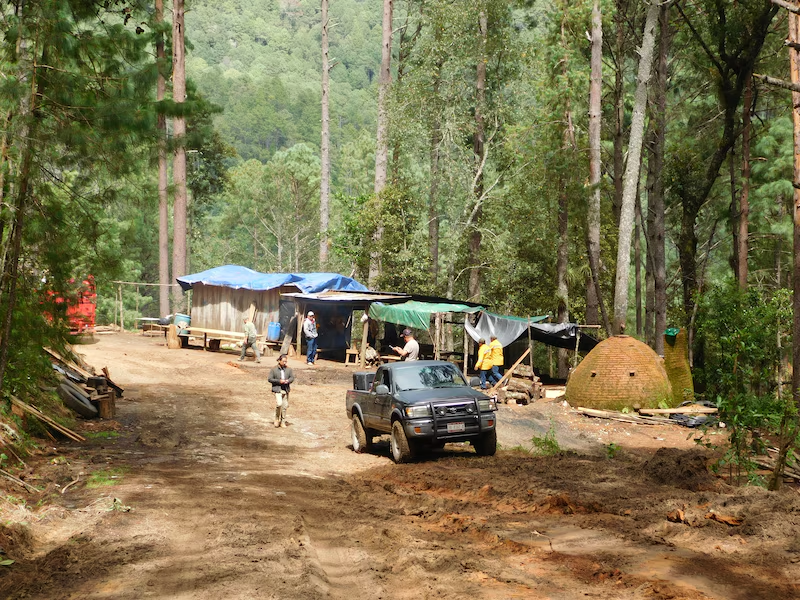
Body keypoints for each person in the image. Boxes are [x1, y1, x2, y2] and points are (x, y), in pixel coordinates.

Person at [268, 354, 295, 428]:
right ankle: (277, 419)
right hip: (277, 389)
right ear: (279, 361)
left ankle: (283, 421)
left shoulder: (289, 369)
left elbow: (292, 377)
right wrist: (279, 381)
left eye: (286, 361)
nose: (285, 363)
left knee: (285, 406)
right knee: (279, 404)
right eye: (283, 361)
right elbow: (270, 379)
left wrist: (288, 381)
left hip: (285, 389)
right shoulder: (274, 369)